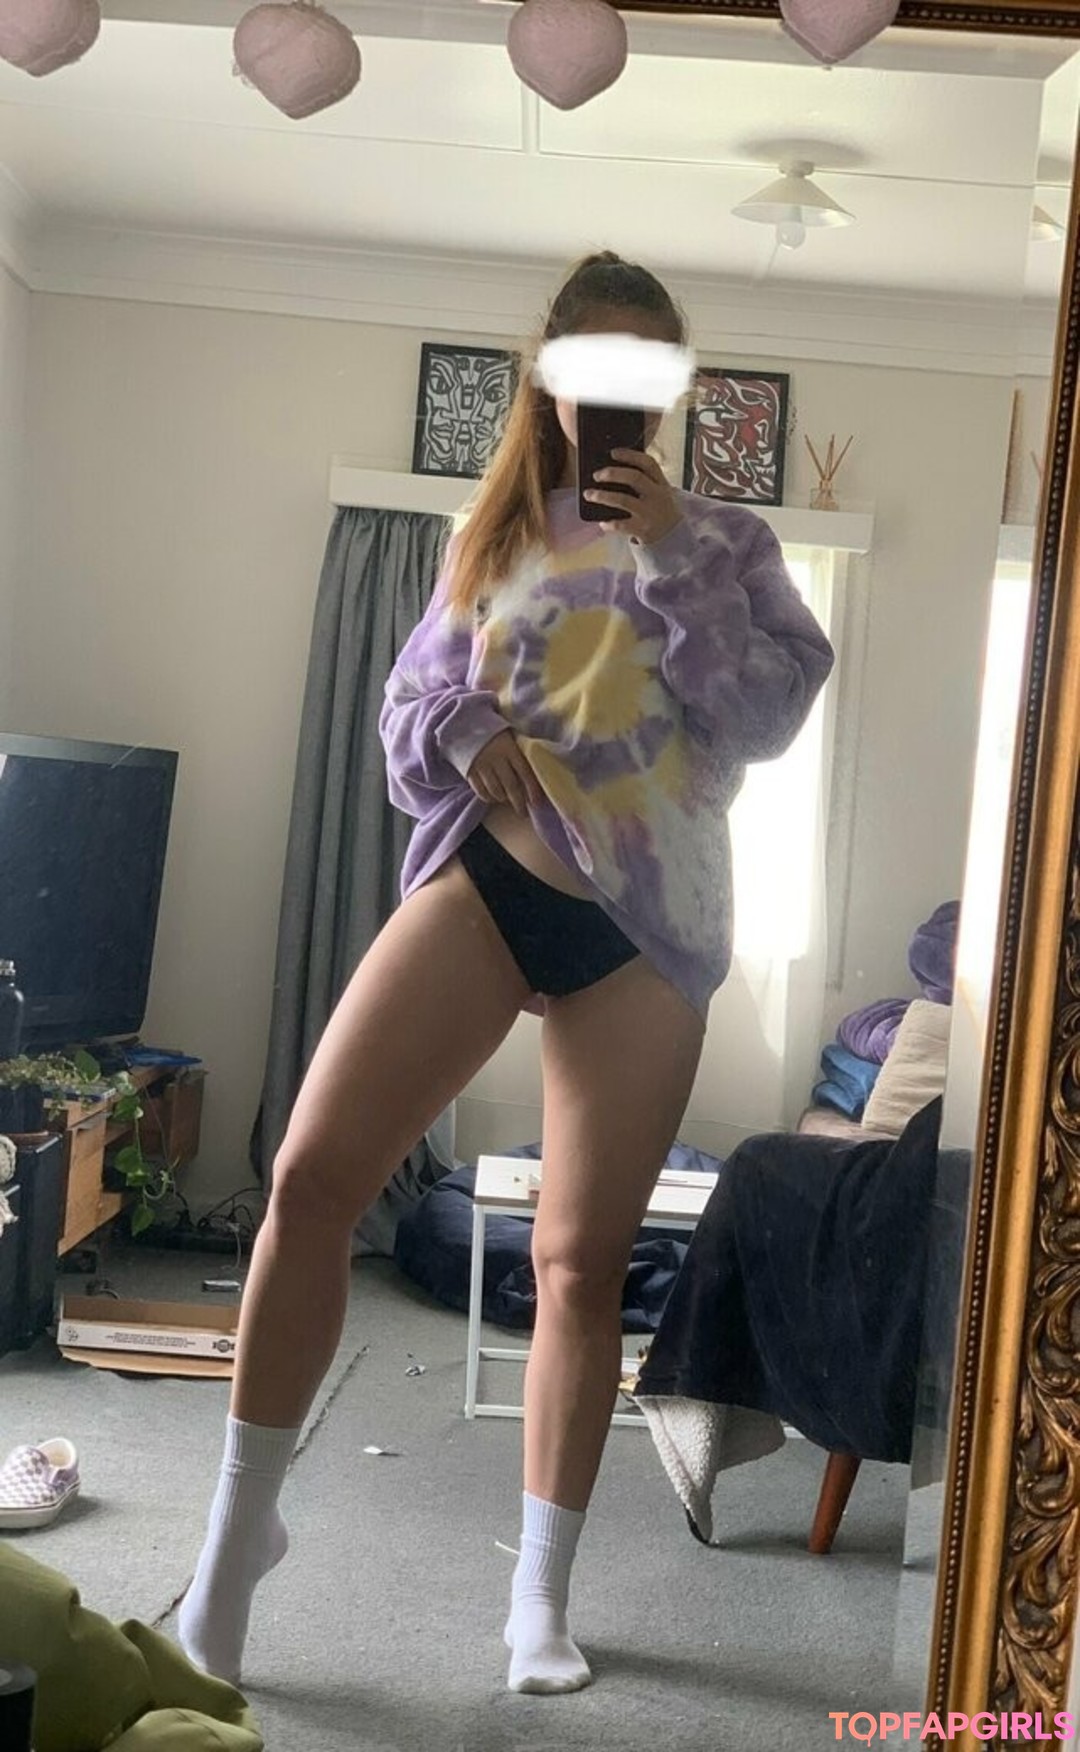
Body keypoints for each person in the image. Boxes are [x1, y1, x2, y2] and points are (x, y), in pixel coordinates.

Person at [178, 252, 835, 1697]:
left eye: (650, 372)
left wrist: (674, 551)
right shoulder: (491, 535)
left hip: (650, 931)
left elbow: (763, 716)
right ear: (550, 380)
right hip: (492, 883)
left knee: (579, 1267)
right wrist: (472, 732)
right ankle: (237, 1536)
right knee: (308, 1177)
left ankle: (540, 1596)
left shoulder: (728, 542)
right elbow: (412, 701)